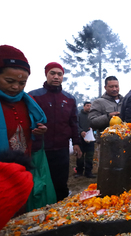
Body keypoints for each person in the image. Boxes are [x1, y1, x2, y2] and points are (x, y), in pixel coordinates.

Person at [29, 62, 82, 202]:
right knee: (40, 180)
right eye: (52, 73)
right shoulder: (34, 96)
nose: (56, 76)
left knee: (60, 181)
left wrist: (76, 142)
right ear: (46, 74)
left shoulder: (69, 98)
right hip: (40, 148)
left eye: (60, 74)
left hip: (62, 148)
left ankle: (60, 211)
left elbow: (73, 122)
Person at [0, 45, 47, 155]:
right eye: (10, 81)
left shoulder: (28, 102)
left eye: (22, 83)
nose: (16, 87)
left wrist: (39, 130)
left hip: (23, 165)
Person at [75, 101, 96, 178]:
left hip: (90, 139)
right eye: (87, 105)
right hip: (80, 139)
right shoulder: (79, 116)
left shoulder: (93, 116)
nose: (89, 107)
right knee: (80, 156)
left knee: (89, 156)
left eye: (90, 106)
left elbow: (96, 124)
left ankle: (88, 172)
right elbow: (76, 125)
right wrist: (81, 131)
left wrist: (93, 128)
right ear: (84, 106)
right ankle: (79, 172)